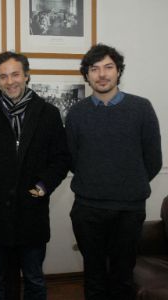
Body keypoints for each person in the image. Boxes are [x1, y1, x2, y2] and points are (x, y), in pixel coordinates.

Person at [0, 51, 70, 299]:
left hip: (31, 213)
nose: (10, 81)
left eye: (15, 74)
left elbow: (61, 158)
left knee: (34, 279)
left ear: (26, 75)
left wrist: (43, 186)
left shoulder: (48, 114)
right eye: (3, 76)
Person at [65, 44, 162, 300]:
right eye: (94, 69)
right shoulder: (76, 113)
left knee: (122, 278)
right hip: (87, 209)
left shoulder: (141, 108)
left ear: (119, 71)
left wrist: (127, 182)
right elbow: (73, 159)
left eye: (109, 67)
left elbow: (153, 160)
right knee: (93, 277)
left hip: (128, 209)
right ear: (86, 75)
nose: (102, 74)